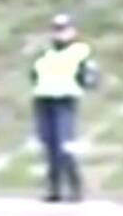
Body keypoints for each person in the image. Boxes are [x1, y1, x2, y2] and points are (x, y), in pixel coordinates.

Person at [31, 13, 100, 202]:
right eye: (56, 30)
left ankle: (75, 188)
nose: (60, 34)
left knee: (65, 146)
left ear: (73, 31)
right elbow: (35, 73)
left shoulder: (80, 51)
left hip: (65, 100)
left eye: (64, 30)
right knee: (49, 146)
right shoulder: (46, 52)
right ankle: (54, 189)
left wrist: (88, 82)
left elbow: (91, 75)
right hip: (44, 99)